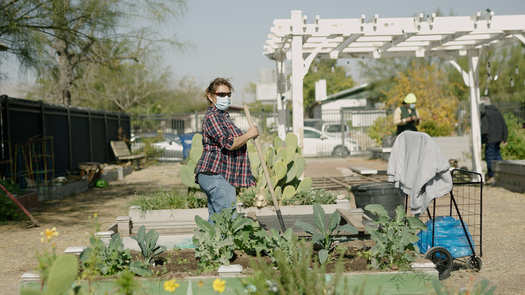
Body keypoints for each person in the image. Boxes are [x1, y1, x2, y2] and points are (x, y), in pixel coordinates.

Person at [194, 78, 259, 223]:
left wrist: (248, 136)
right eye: (221, 94)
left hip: (218, 174)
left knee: (216, 220)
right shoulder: (213, 117)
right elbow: (229, 144)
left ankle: (211, 245)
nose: (226, 98)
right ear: (210, 96)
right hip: (215, 173)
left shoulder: (223, 117)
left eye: (228, 94)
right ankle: (225, 246)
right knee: (227, 219)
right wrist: (248, 135)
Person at [480, 96, 507, 184]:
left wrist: (482, 141)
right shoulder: (497, 112)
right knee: (497, 155)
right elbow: (504, 125)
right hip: (498, 138)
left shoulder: (485, 113)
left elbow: (484, 128)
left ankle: (492, 175)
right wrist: (504, 138)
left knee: (490, 157)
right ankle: (502, 172)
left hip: (490, 138)